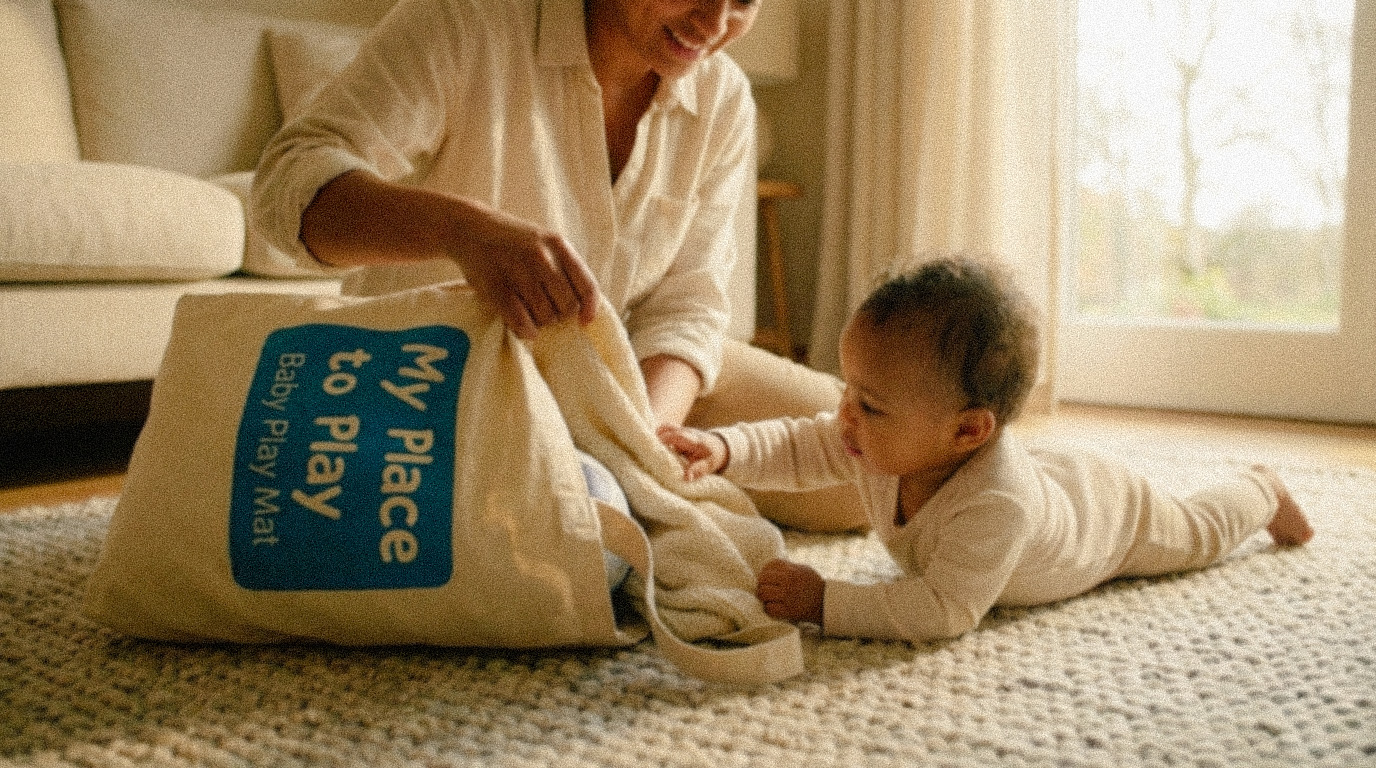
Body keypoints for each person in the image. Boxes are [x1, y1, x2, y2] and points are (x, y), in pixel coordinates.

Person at [250, 0, 866, 532]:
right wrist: (459, 231)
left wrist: (643, 442)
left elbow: (689, 304)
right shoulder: (468, 22)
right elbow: (285, 186)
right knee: (536, 534)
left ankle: (620, 485)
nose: (715, 21)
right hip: (437, 379)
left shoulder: (724, 96)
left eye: (745, 1)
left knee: (868, 466)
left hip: (624, 379)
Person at [658, 256, 1315, 642]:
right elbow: (801, 445)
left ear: (967, 431)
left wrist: (823, 601)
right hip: (1052, 478)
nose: (844, 413)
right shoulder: (886, 437)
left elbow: (943, 609)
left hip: (1110, 516)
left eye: (869, 402)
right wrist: (723, 449)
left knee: (1196, 534)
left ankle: (1261, 489)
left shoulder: (996, 503)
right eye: (847, 389)